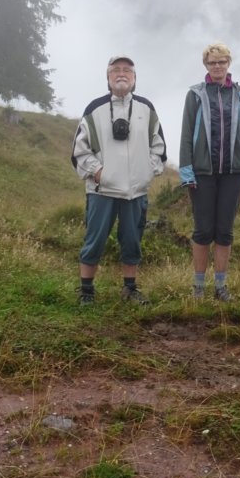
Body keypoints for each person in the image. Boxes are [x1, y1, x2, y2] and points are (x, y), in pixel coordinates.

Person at [71, 55, 167, 305]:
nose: (121, 74)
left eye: (127, 70)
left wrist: (147, 171)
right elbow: (80, 150)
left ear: (134, 78)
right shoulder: (94, 109)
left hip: (136, 191)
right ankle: (86, 291)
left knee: (132, 240)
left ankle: (130, 289)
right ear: (108, 77)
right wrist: (98, 172)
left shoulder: (146, 109)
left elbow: (158, 147)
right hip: (101, 190)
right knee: (94, 239)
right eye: (115, 70)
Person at [179, 42, 240, 302]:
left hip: (233, 173)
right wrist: (186, 170)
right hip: (202, 172)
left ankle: (221, 287)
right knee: (203, 230)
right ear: (206, 65)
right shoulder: (195, 95)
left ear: (228, 63)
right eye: (212, 62)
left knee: (225, 231)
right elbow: (186, 134)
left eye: (221, 61)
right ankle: (198, 287)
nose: (217, 66)